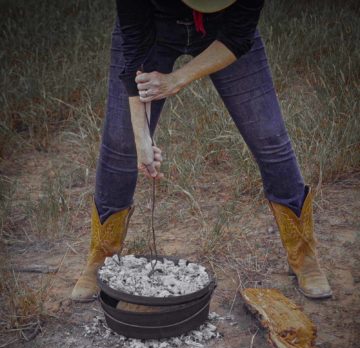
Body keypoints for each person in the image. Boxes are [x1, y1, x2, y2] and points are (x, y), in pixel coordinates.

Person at [70, 0, 332, 302]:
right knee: (120, 144)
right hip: (152, 29)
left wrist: (177, 80)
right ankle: (101, 256)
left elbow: (237, 37)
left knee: (269, 136)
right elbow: (134, 48)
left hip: (224, 33)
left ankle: (304, 254)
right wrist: (141, 137)